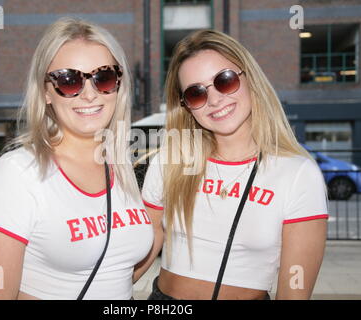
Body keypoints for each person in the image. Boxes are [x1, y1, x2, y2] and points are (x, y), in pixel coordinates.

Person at [0, 18, 153, 300]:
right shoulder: (17, 173)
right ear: (45, 92)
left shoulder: (122, 166)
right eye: (69, 81)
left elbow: (114, 271)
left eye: (103, 77)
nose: (90, 94)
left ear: (119, 85)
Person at [139, 29, 328, 300]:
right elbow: (147, 242)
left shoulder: (298, 173)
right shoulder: (171, 161)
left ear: (250, 78)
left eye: (224, 80)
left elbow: (294, 291)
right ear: (185, 106)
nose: (215, 100)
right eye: (196, 93)